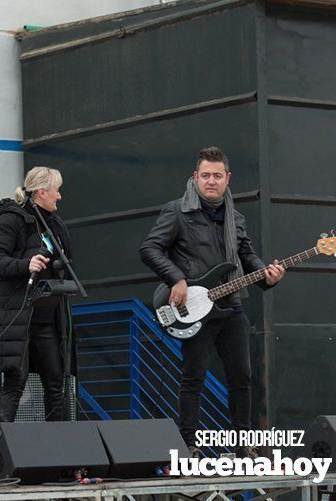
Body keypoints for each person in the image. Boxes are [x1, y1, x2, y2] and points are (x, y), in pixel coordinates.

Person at [140, 146, 285, 458]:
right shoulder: (177, 211)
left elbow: (246, 256)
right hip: (193, 305)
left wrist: (266, 276)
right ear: (195, 177)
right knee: (194, 376)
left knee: (242, 377)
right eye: (205, 175)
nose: (211, 181)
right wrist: (175, 277)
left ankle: (242, 445)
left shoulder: (236, 218)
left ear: (227, 179)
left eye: (217, 176)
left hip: (230, 304)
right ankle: (187, 444)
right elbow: (150, 249)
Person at [0, 166, 74, 426]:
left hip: (47, 315)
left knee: (56, 380)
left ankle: (58, 448)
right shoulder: (12, 218)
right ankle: (0, 450)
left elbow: (66, 259)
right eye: (57, 190)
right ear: (42, 191)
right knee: (15, 382)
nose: (59, 196)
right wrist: (25, 264)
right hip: (17, 314)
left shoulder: (54, 223)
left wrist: (57, 267)